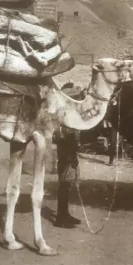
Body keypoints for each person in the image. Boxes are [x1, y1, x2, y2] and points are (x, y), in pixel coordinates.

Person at [53, 83, 85, 228]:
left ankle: (64, 214)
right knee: (64, 185)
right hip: (66, 155)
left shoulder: (69, 116)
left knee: (66, 185)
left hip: (69, 154)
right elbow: (63, 138)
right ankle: (60, 218)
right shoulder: (64, 118)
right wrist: (71, 156)